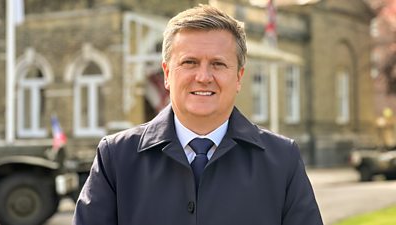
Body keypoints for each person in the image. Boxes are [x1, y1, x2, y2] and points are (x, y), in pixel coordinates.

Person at [73, 5, 323, 225]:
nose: (203, 77)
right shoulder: (116, 158)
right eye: (189, 62)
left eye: (218, 64)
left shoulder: (283, 159)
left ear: (239, 77)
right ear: (167, 73)